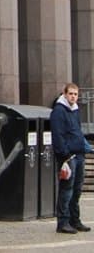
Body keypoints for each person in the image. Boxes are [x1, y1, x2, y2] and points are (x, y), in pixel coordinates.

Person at [52, 82, 90, 234]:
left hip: (79, 154)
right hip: (68, 157)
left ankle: (75, 220)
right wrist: (65, 155)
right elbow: (58, 135)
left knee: (77, 190)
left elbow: (77, 132)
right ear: (65, 94)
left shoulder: (74, 110)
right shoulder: (59, 111)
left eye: (75, 94)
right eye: (71, 94)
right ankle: (63, 222)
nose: (73, 96)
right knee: (66, 190)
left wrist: (85, 148)